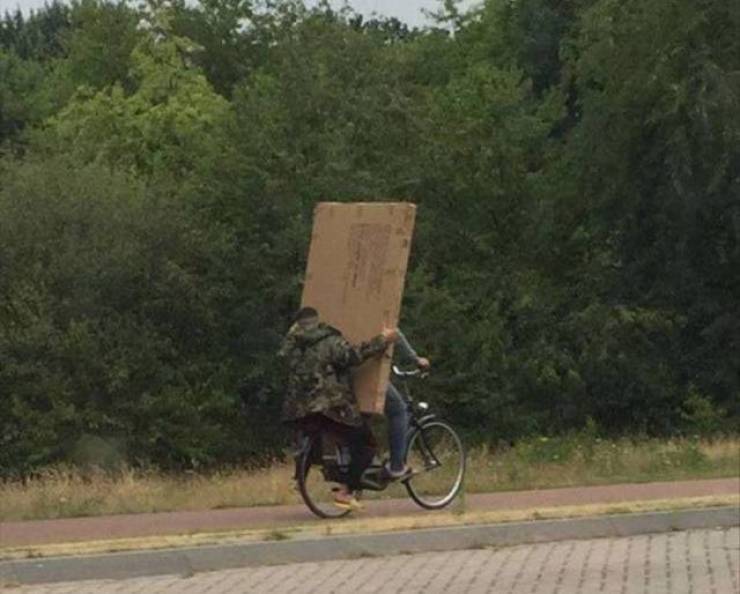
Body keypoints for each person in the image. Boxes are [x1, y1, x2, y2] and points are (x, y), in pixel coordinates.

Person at [279, 306, 398, 510]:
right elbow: (353, 356)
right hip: (329, 407)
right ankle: (346, 491)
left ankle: (300, 478)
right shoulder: (329, 341)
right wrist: (382, 340)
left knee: (313, 434)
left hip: (297, 409)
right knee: (366, 444)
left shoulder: (291, 345)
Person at [383, 329, 430, 480]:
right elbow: (395, 333)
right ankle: (397, 466)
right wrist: (416, 359)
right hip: (369, 373)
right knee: (399, 411)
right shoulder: (375, 314)